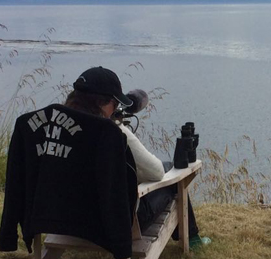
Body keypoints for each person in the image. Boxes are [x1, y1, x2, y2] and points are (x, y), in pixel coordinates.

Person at [65, 66, 207, 247]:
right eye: (115, 104)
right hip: (113, 223)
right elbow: (155, 173)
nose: (116, 108)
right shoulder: (112, 131)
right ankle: (192, 238)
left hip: (66, 218)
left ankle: (192, 236)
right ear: (102, 103)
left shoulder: (58, 129)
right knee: (170, 174)